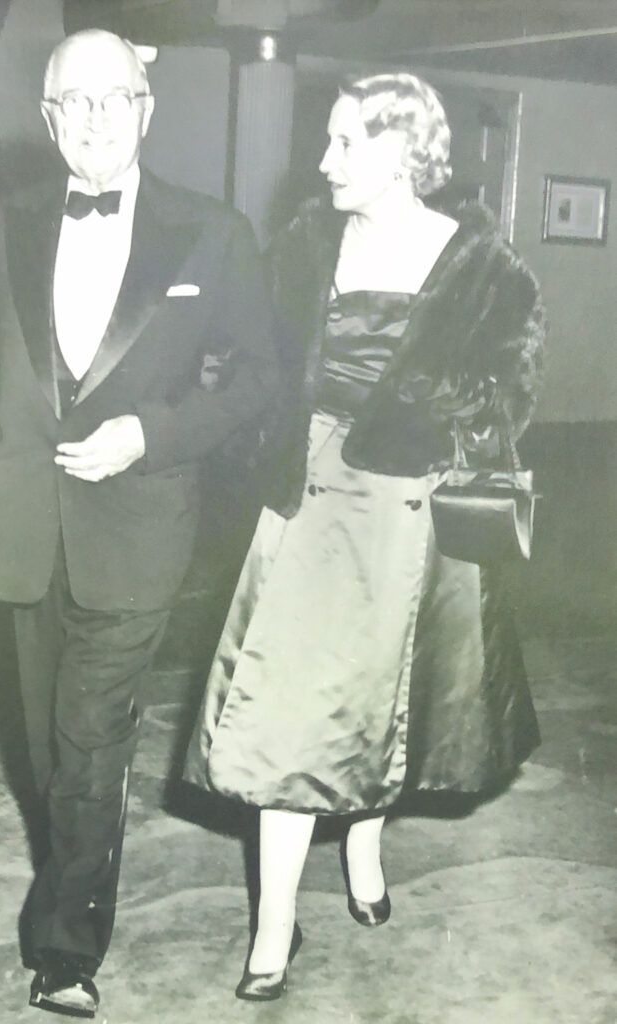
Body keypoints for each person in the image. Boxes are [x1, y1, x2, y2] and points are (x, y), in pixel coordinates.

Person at [184, 71, 545, 1001]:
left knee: (388, 702)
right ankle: (272, 933)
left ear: (399, 152)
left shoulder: (481, 266)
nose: (323, 161)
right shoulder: (306, 244)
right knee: (285, 713)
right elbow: (258, 362)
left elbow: (511, 389)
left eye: (345, 143)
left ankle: (367, 853)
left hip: (404, 509)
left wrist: (435, 421)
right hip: (303, 502)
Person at [0, 29, 275, 1018]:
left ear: (146, 107)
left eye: (113, 97)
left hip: (141, 526)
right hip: (25, 522)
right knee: (50, 749)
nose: (93, 118)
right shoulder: (4, 224)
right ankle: (76, 868)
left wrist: (153, 431)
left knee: (92, 735)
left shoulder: (211, 233)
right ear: (46, 120)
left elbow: (259, 378)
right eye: (71, 102)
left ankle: (67, 950)